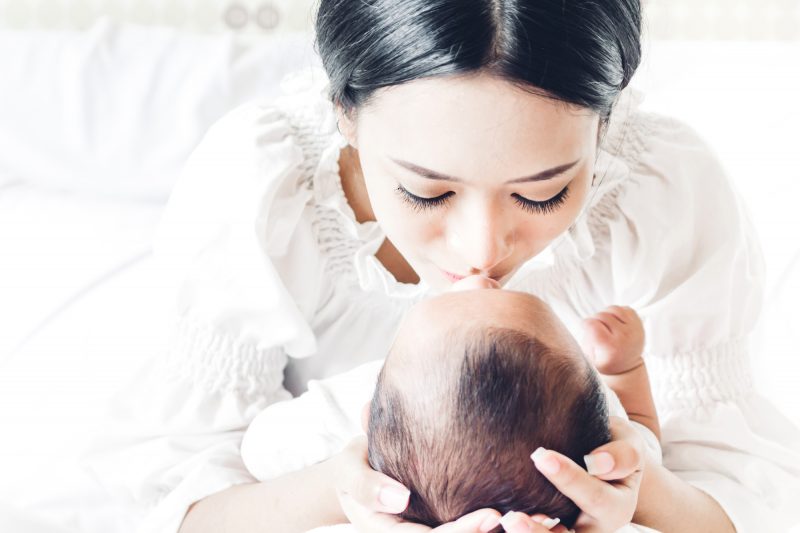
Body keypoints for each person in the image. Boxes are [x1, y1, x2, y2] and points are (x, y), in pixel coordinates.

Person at [86, 0, 800, 532]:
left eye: (544, 191)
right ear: (345, 112)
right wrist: (344, 488)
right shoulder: (263, 197)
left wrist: (636, 488)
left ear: (605, 126)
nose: (482, 250)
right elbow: (167, 505)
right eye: (426, 191)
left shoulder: (661, 197)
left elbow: (747, 497)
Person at [239, 287, 662, 532]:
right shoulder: (617, 472)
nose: (483, 277)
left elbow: (258, 449)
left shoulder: (341, 417)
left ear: (371, 418)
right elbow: (645, 445)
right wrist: (626, 370)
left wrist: (348, 415)